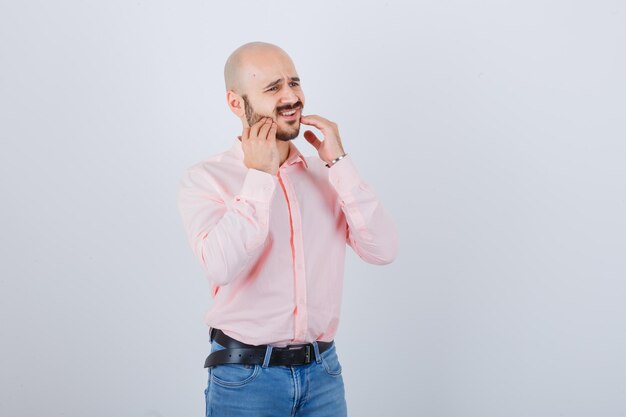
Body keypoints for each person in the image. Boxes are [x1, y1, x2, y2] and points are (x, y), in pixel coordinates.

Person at [177, 41, 399, 417]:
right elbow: (220, 266)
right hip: (244, 379)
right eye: (273, 88)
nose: (291, 97)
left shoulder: (326, 175)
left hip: (324, 374)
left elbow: (382, 250)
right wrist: (260, 177)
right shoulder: (206, 179)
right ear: (236, 103)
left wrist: (339, 163)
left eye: (294, 83)